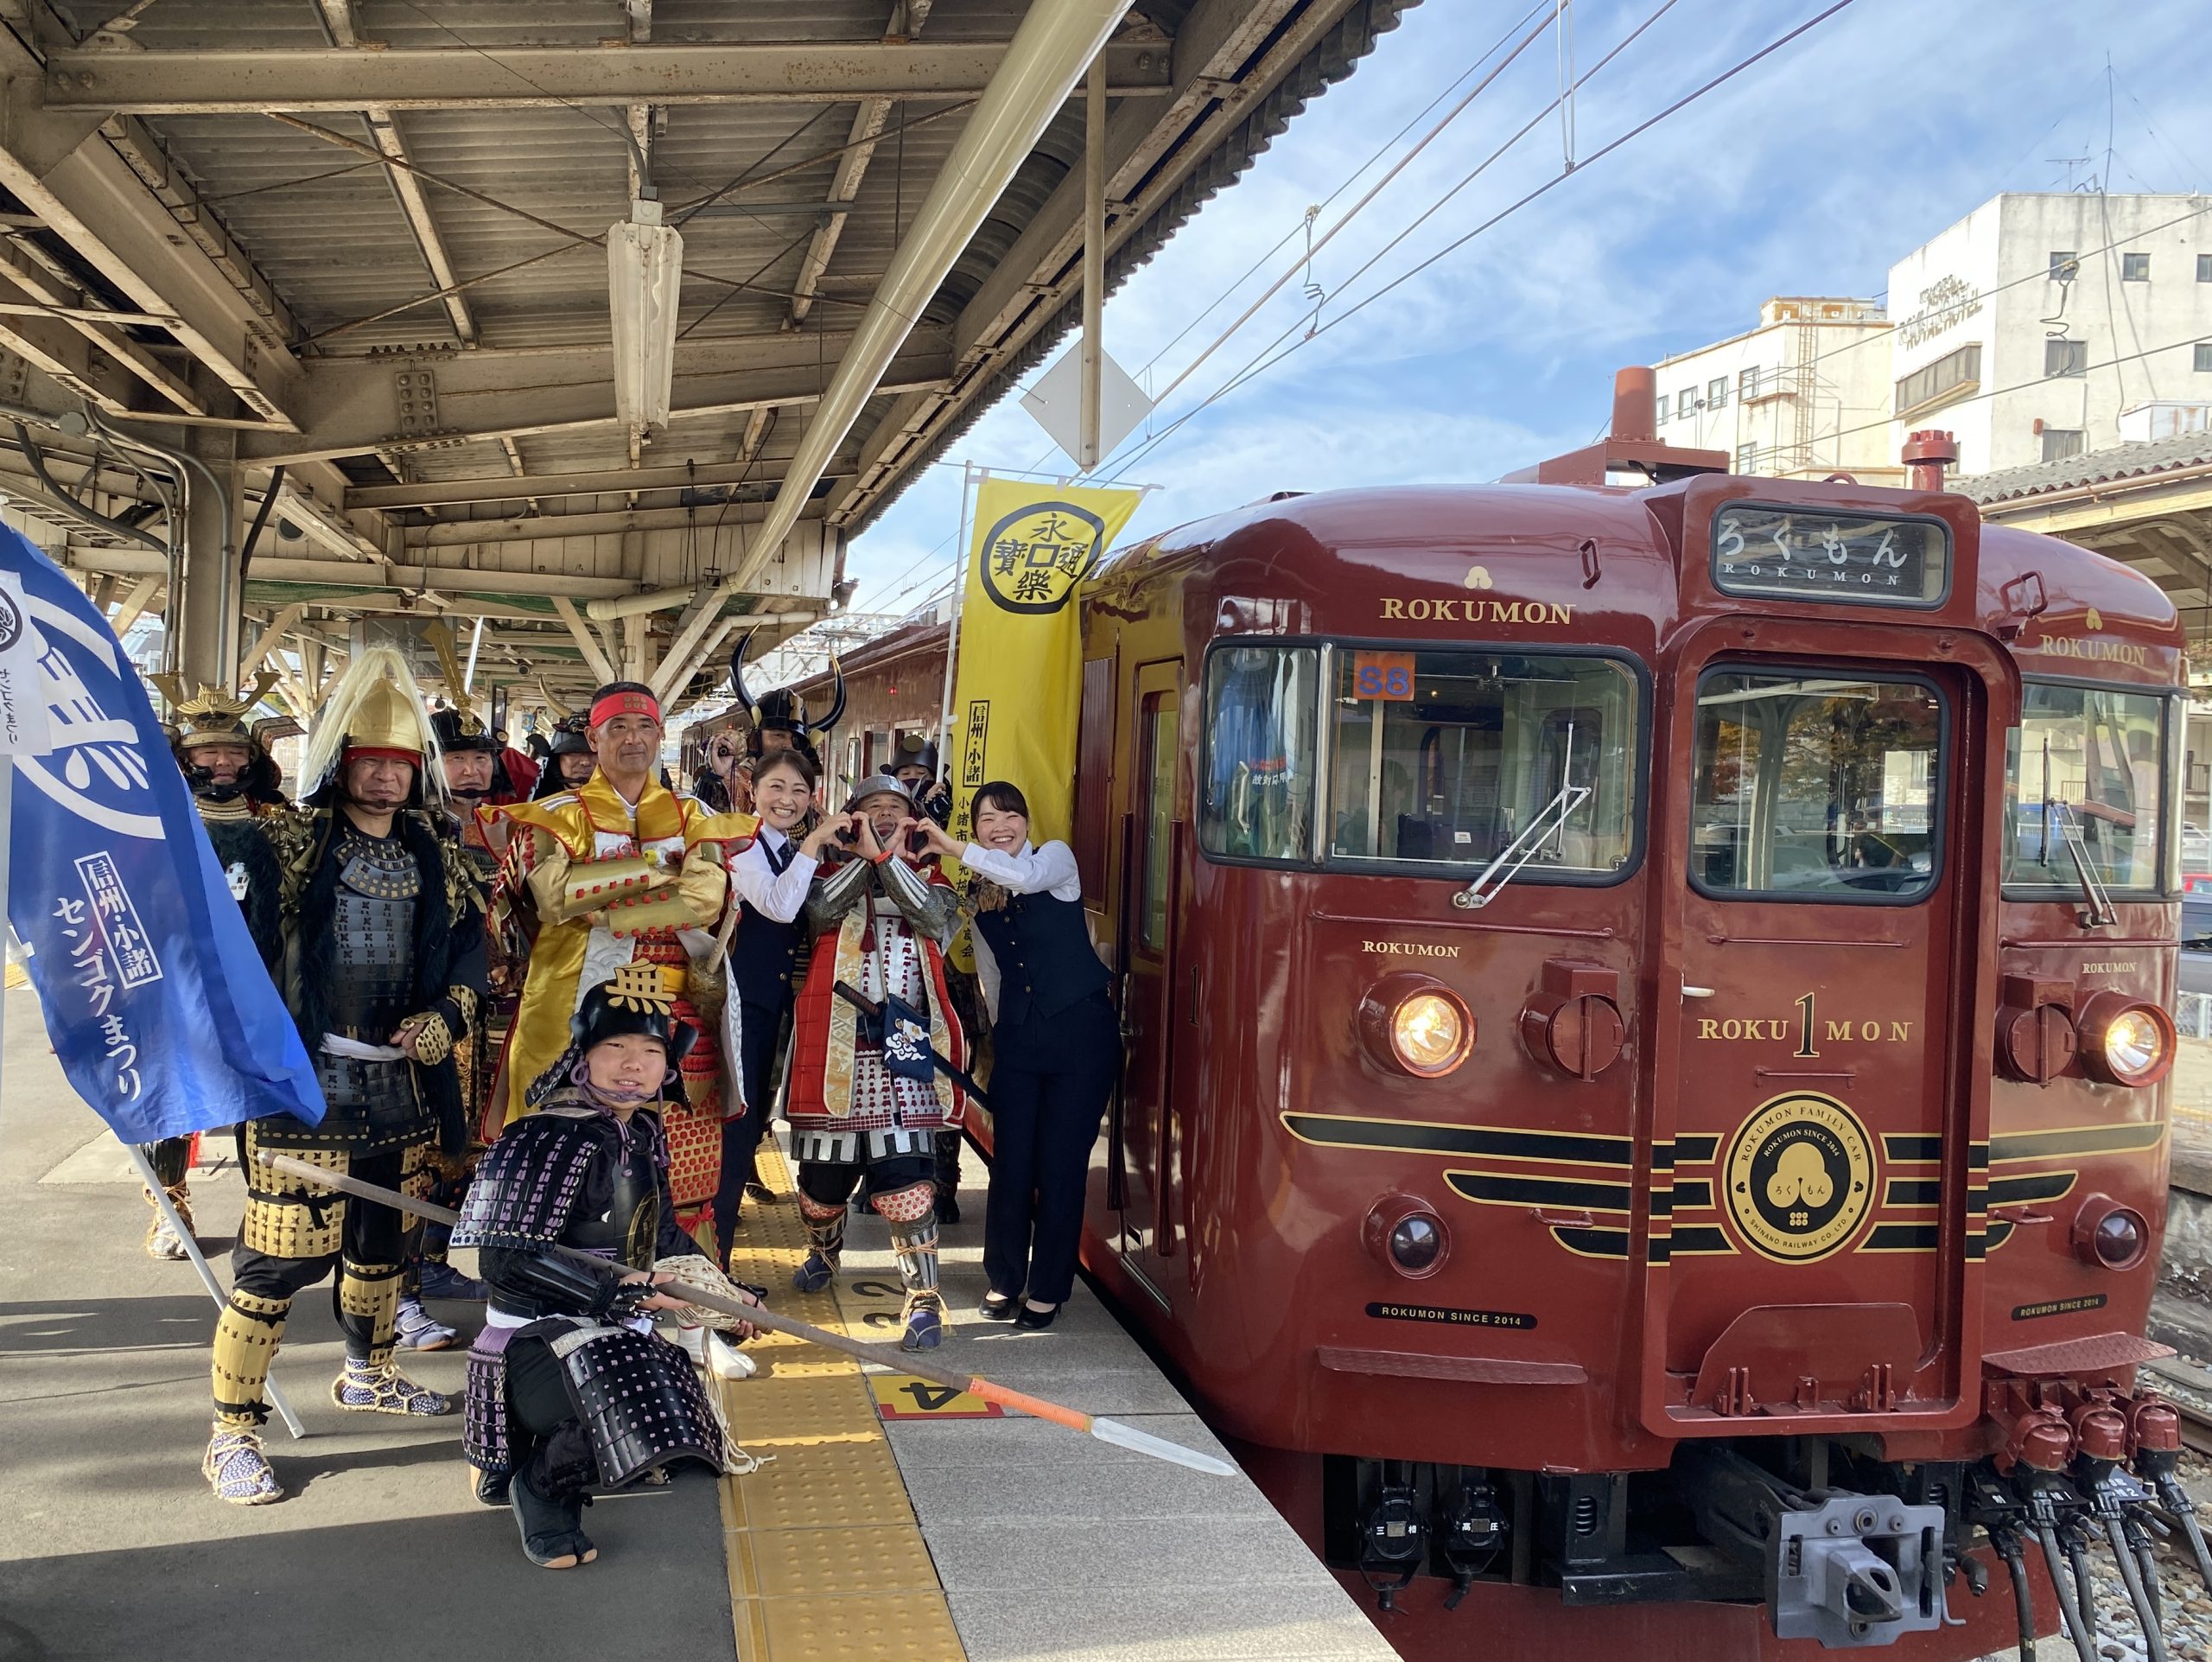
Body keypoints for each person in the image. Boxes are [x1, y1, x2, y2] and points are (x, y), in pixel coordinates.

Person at [203, 648, 489, 1505]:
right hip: (305, 1091)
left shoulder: (442, 858)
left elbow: (471, 964)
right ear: (340, 766)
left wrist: (446, 1016)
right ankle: (230, 1432)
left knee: (381, 1251)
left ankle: (368, 1372)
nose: (386, 779)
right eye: (371, 763)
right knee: (279, 1265)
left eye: (401, 766)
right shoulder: (287, 842)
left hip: (399, 1086)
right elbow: (222, 910)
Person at [454, 965, 765, 1567]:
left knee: (674, 1414)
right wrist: (613, 1296)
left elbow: (666, 1231)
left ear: (667, 1066)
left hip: (615, 1326)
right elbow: (503, 1260)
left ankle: (554, 1446)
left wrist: (729, 1296)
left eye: (649, 1050)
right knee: (631, 1395)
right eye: (615, 1047)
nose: (633, 1064)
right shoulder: (538, 1137)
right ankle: (539, 1485)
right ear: (582, 1055)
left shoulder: (645, 1129)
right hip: (533, 1340)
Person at [487, 683, 753, 1234]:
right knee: (564, 1161)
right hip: (573, 1010)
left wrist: (605, 906)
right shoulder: (557, 814)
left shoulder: (694, 813)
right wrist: (660, 870)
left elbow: (704, 900)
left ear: (659, 735)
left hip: (678, 1016)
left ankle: (685, 1304)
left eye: (644, 727)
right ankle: (558, 1297)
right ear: (594, 737)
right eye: (618, 728)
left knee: (684, 1171)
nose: (633, 739)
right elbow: (554, 897)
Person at [917, 781, 1114, 1330]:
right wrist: (1000, 1038)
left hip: (1081, 1037)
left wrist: (953, 847)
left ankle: (1048, 1289)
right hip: (1021, 1041)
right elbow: (992, 976)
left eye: (1008, 816)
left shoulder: (1055, 860)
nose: (998, 825)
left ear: (1026, 823)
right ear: (976, 829)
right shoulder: (980, 896)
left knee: (1060, 1167)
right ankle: (1004, 1279)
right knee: (1010, 1166)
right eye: (985, 819)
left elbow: (1023, 879)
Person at [785, 775, 967, 1350]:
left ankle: (923, 1296)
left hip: (905, 1042)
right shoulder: (822, 875)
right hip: (834, 1043)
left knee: (906, 1181)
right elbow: (816, 913)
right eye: (872, 809)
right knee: (822, 1184)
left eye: (894, 809)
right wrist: (864, 858)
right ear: (849, 817)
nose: (883, 815)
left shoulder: (937, 880)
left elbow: (935, 921)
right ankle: (823, 1249)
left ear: (914, 820)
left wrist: (883, 857)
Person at [140, 672, 285, 1261]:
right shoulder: (154, 820)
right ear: (185, 756)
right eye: (209, 751)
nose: (222, 761)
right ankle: (169, 1208)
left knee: (258, 1102)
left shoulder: (279, 822)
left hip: (258, 986)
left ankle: (264, 1206)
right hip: (176, 983)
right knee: (176, 1100)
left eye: (233, 750)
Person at [711, 748, 844, 1259]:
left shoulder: (786, 850)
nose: (786, 800)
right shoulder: (741, 846)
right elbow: (779, 905)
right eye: (776, 788)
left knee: (749, 1128)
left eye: (798, 791)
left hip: (770, 1008)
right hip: (740, 1006)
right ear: (754, 790)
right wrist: (814, 839)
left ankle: (717, 1261)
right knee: (734, 1129)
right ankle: (715, 1264)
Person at [529, 715, 595, 800]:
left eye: (595, 753)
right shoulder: (534, 805)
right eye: (574, 753)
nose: (586, 762)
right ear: (556, 760)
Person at [891, 735, 950, 828]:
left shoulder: (945, 803)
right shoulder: (885, 807)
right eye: (905, 773)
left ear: (934, 779)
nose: (913, 777)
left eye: (921, 773)